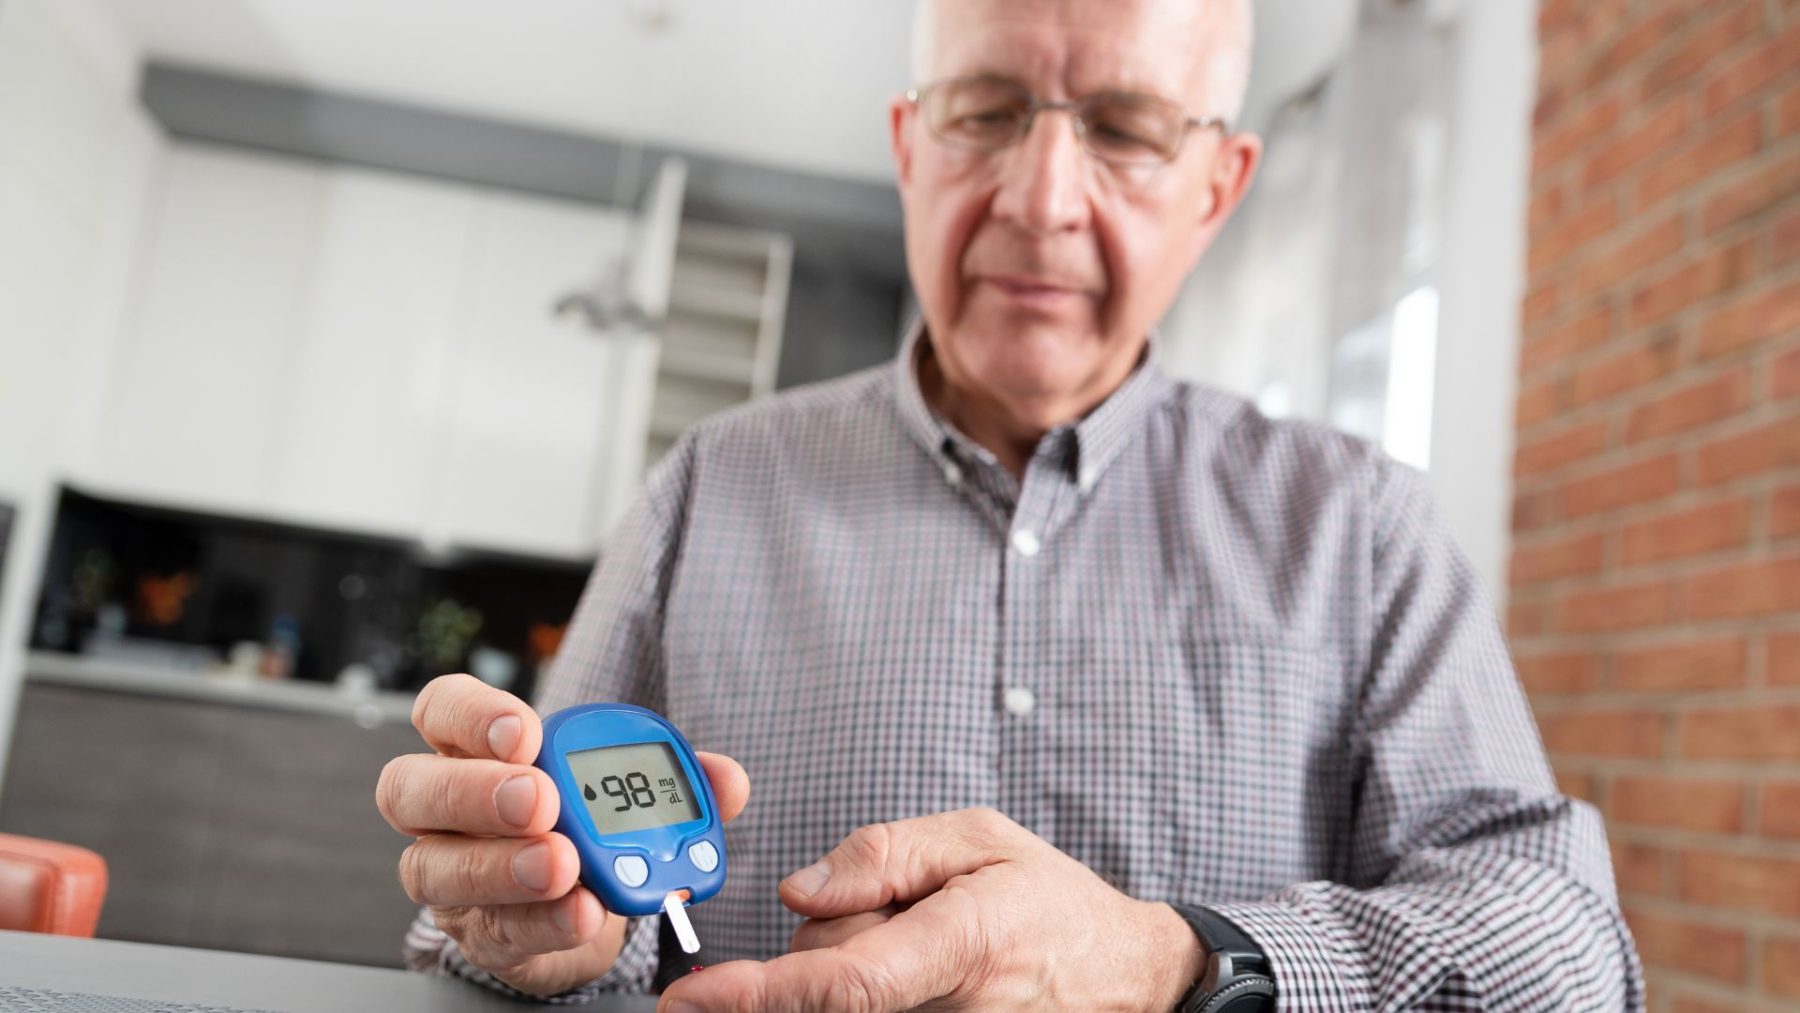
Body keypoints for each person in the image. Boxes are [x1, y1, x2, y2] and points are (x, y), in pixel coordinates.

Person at [376, 0, 1644, 1008]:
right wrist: (526, 931)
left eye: (1128, 126)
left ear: (1217, 186)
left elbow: (1574, 954)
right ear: (908, 144)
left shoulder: (1363, 528)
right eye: (985, 111)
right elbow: (485, 932)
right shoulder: (708, 486)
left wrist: (1177, 964)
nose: (1042, 200)